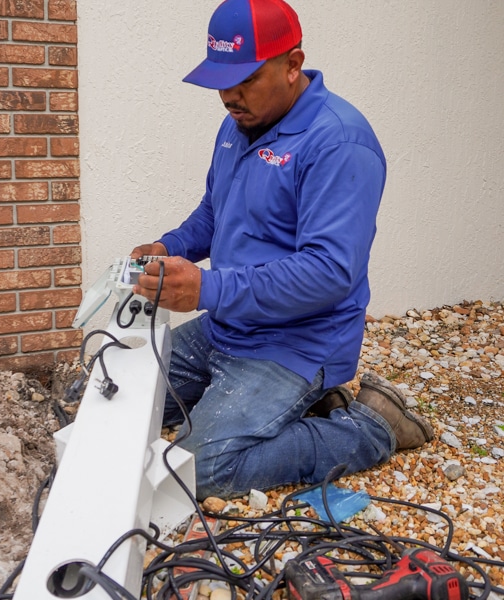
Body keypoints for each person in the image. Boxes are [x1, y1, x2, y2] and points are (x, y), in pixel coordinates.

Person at [131, 0, 433, 500]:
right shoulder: (240, 124)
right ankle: (291, 408)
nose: (229, 95)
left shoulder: (338, 142)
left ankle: (374, 426)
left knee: (195, 471)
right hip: (229, 324)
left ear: (293, 65)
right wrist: (169, 245)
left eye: (246, 79)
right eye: (222, 81)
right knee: (111, 398)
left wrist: (206, 287)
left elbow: (329, 271)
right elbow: (216, 212)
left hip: (296, 343)